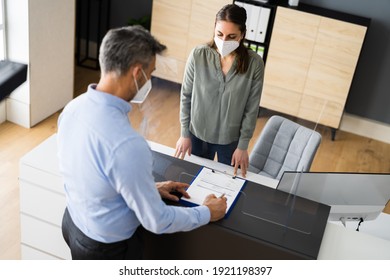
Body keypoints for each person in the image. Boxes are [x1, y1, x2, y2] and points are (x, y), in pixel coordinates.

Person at [57, 25, 227, 260]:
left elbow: (91, 175)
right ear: (137, 74)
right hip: (107, 251)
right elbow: (157, 220)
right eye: (151, 73)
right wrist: (207, 212)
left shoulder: (73, 109)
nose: (150, 80)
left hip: (72, 224)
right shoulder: (127, 144)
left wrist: (149, 190)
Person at [174, 4, 264, 178]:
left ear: (242, 35)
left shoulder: (254, 64)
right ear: (214, 29)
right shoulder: (198, 55)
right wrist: (184, 134)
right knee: (190, 181)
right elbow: (186, 96)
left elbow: (251, 109)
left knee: (228, 185)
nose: (224, 41)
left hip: (230, 141)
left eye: (232, 37)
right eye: (219, 34)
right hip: (196, 134)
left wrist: (243, 146)